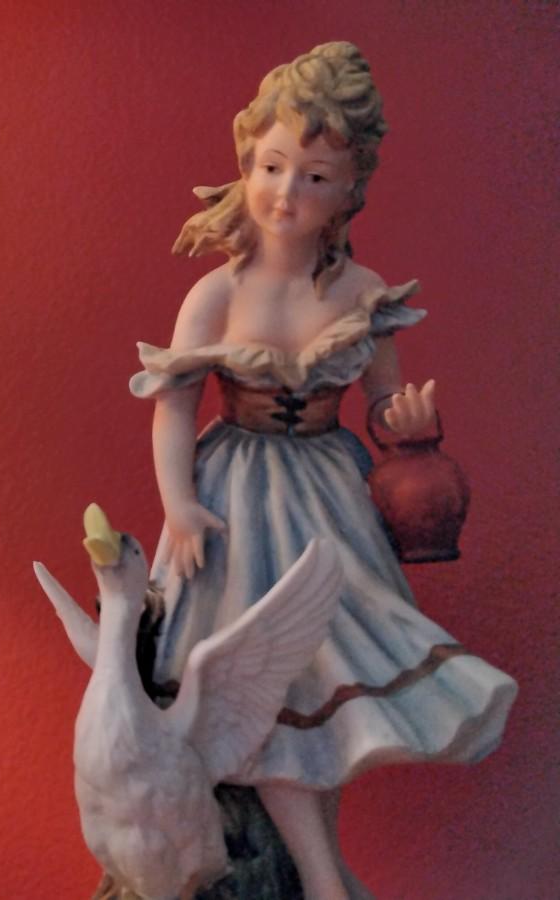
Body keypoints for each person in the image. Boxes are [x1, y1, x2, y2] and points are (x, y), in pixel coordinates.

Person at [131, 42, 516, 900]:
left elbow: (383, 404)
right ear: (246, 163)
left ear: (349, 191)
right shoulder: (218, 294)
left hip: (330, 501)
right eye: (272, 167)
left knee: (323, 690)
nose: (286, 193)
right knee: (258, 690)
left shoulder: (360, 295)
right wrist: (181, 508)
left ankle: (321, 872)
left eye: (314, 177)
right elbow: (174, 408)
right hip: (236, 501)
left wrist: (406, 430)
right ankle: (321, 879)